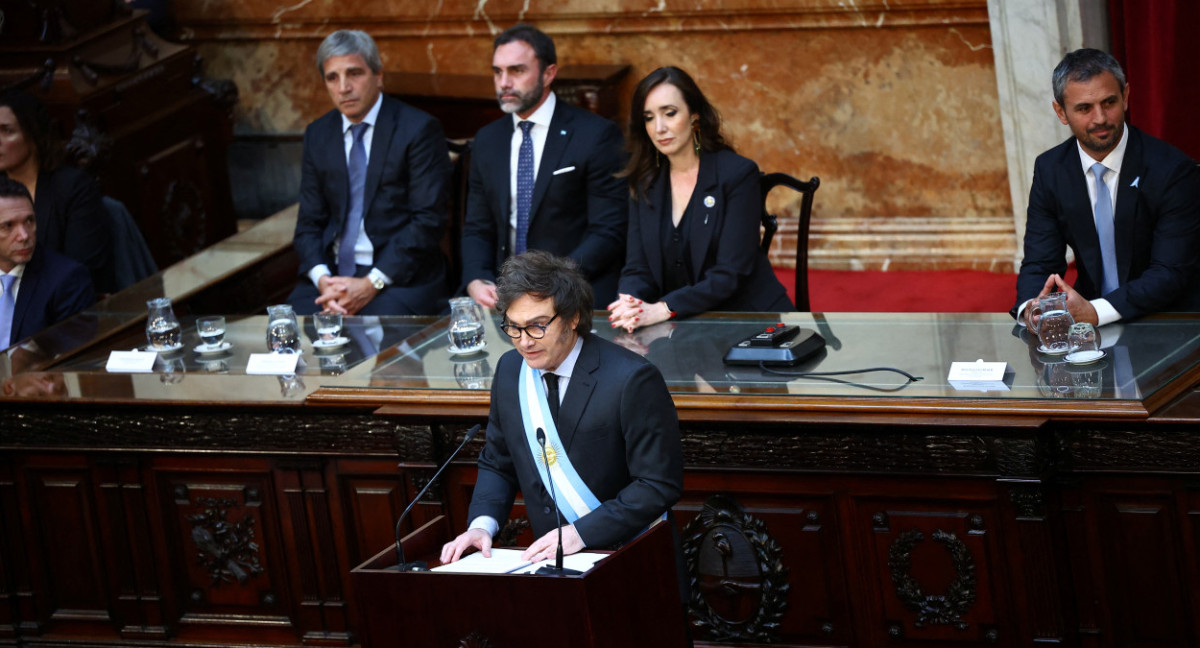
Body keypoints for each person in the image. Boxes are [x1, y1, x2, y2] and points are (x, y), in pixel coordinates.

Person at [440, 251, 683, 570]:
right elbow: (499, 462)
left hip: (632, 561)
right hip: (552, 567)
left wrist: (581, 533)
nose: (524, 342)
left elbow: (657, 484)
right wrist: (480, 526)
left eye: (537, 326)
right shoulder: (511, 370)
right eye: (513, 327)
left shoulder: (631, 379)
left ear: (572, 318)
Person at [1013, 48, 1200, 327]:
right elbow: (1041, 263)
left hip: (1168, 318)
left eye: (1109, 103)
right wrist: (1032, 308)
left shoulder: (1172, 170)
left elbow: (1169, 272)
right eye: (1084, 108)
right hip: (1089, 324)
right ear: (1061, 112)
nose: (1100, 119)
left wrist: (1096, 312)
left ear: (1125, 97)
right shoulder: (1051, 169)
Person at [608, 67, 793, 333]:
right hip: (681, 328)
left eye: (670, 113)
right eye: (649, 118)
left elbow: (730, 273)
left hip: (748, 322)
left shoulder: (736, 174)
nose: (659, 128)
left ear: (694, 116)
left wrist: (663, 308)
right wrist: (630, 301)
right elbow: (638, 267)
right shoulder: (645, 181)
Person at [460, 24, 627, 310]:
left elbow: (608, 231)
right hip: (504, 296)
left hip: (573, 291)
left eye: (517, 70)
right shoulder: (488, 140)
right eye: (497, 72)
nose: (504, 83)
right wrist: (477, 279)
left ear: (549, 73)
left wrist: (554, 283)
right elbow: (477, 226)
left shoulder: (595, 135)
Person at [288, 30, 452, 316]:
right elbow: (308, 224)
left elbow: (428, 220)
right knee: (284, 333)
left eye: (354, 74)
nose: (343, 87)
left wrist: (370, 283)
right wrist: (324, 281)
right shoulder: (318, 134)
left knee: (377, 341)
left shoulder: (418, 129)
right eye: (332, 78)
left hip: (398, 278)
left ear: (378, 75)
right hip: (332, 278)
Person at [0, 90, 114, 295]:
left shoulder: (73, 188)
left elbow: (83, 271)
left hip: (67, 309)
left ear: (32, 135)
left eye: (6, 131)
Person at [0, 176, 94, 352]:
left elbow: (74, 360)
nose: (24, 235)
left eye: (29, 221)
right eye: (8, 226)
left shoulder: (67, 280)